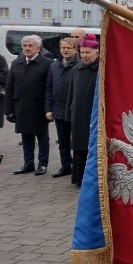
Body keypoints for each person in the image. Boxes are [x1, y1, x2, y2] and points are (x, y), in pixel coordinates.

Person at [5, 35, 52, 175]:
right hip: (21, 106)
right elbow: (9, 87)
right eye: (24, 45)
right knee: (26, 137)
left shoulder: (47, 63)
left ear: (38, 48)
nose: (26, 48)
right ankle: (28, 163)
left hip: (39, 107)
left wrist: (49, 108)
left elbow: (49, 88)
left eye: (30, 45)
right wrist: (8, 110)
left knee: (42, 136)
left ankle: (42, 164)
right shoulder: (16, 63)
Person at [67, 34, 100, 187]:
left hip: (93, 116)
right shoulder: (76, 69)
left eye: (88, 53)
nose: (85, 56)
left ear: (96, 53)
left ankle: (91, 180)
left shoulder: (101, 70)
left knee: (91, 148)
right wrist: (70, 112)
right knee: (78, 147)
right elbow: (71, 94)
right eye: (83, 53)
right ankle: (78, 178)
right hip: (78, 115)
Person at [44, 37, 78, 178]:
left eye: (68, 48)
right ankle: (65, 166)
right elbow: (48, 88)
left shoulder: (80, 66)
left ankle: (77, 168)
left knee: (76, 142)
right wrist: (48, 109)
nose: (65, 50)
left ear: (75, 50)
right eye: (63, 47)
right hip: (58, 109)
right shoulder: (54, 66)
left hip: (74, 110)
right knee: (62, 141)